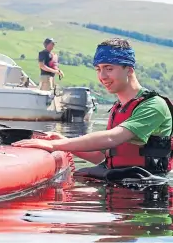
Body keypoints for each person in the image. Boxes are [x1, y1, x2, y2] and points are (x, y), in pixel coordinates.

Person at [13, 38, 173, 178]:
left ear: (129, 69)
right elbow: (101, 156)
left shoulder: (153, 105)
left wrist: (54, 146)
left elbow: (112, 138)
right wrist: (63, 141)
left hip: (146, 190)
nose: (102, 76)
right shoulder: (119, 108)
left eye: (109, 68)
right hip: (119, 180)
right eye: (98, 69)